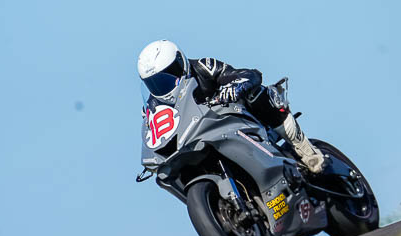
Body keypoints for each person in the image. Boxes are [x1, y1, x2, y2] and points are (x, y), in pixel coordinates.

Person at [137, 39, 325, 173]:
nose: (162, 86)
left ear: (181, 62)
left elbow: (248, 74)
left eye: (170, 74)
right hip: (197, 139)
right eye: (154, 83)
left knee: (258, 94)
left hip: (233, 117)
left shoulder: (203, 66)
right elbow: (154, 132)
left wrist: (235, 87)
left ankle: (307, 151)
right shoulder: (154, 105)